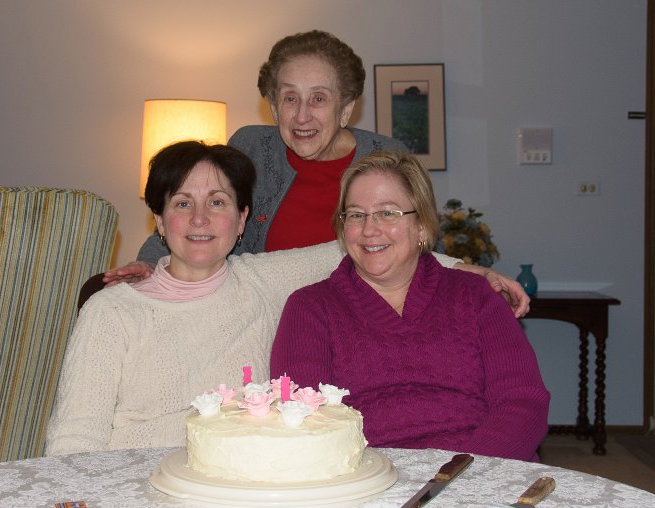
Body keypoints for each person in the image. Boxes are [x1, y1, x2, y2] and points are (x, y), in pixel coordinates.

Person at [45, 142, 463, 455]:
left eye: (218, 202)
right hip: (136, 485)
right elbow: (74, 439)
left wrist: (468, 270)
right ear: (158, 219)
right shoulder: (112, 312)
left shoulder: (263, 280)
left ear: (242, 218)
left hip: (241, 485)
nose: (200, 219)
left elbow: (366, 246)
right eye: (182, 203)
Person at [105, 29, 530, 317]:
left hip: (358, 322)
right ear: (273, 106)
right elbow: (197, 213)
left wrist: (474, 273)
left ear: (346, 108)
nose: (302, 115)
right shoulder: (252, 147)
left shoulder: (387, 158)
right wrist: (147, 266)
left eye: (319, 99)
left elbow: (416, 252)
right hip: (255, 320)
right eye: (289, 98)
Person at [269, 151, 550, 462]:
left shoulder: (476, 296)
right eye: (356, 214)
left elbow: (523, 402)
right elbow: (305, 419)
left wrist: (466, 474)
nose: (369, 229)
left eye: (388, 213)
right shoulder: (309, 310)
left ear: (422, 227)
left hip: (482, 472)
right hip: (369, 478)